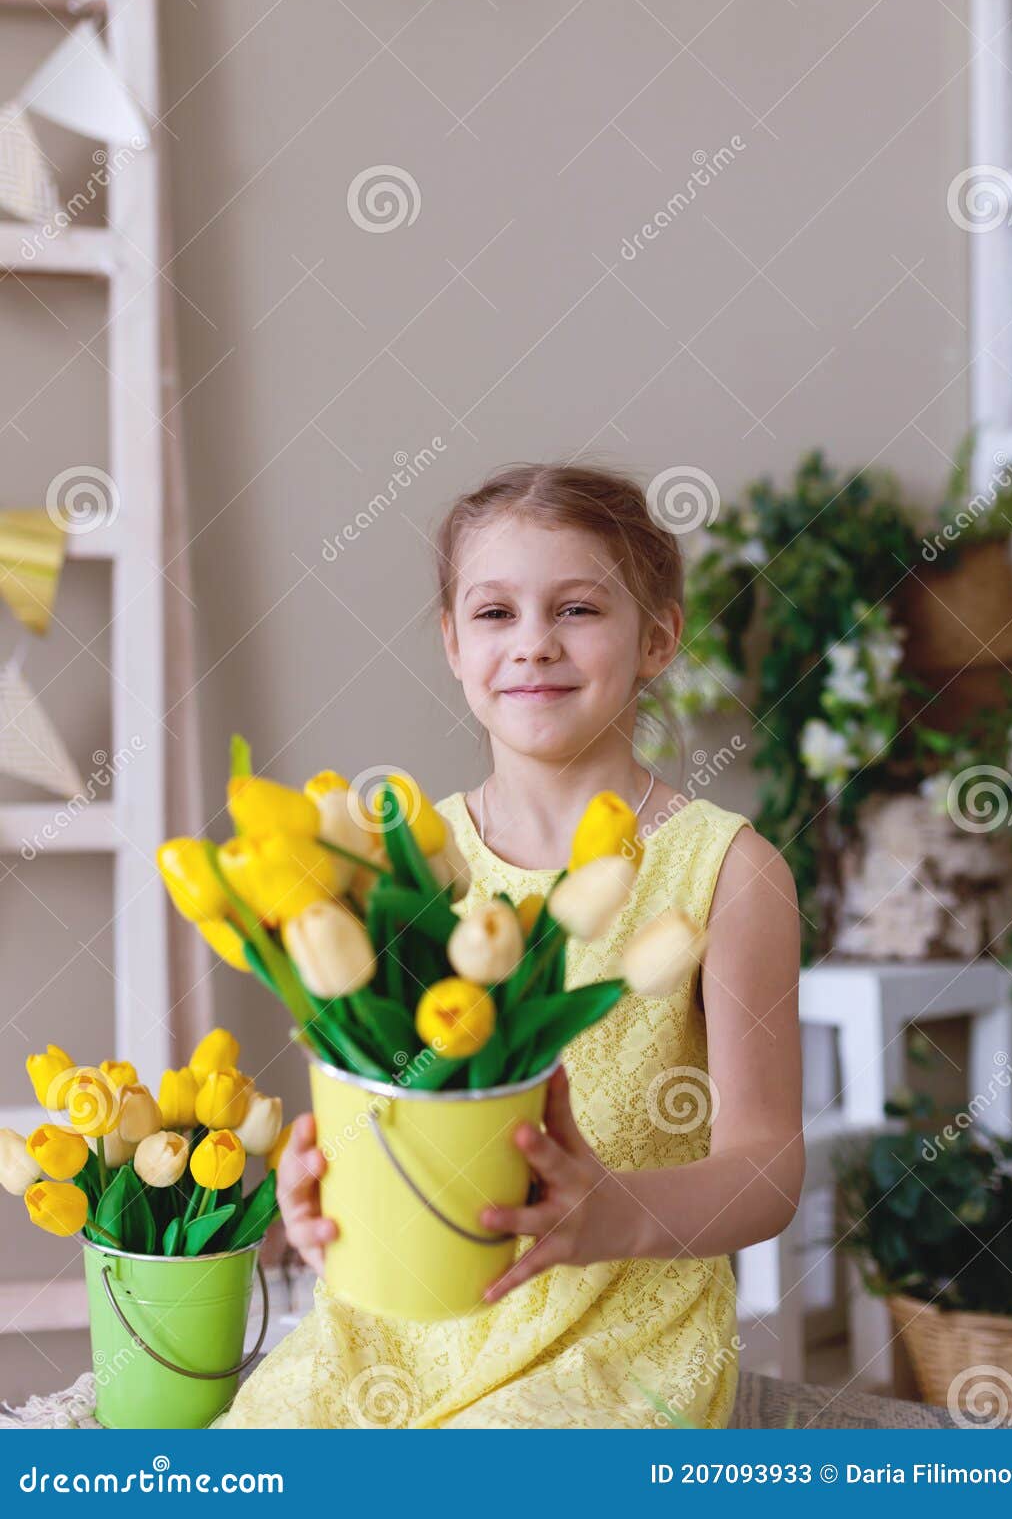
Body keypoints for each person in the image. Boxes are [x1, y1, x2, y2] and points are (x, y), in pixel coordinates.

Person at [216, 461, 803, 1428]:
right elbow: (383, 1097)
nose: (533, 644)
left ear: (657, 638)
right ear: (451, 643)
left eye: (576, 609)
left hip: (614, 1345)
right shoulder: (400, 861)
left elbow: (768, 1166)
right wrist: (322, 1185)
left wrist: (610, 1212)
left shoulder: (726, 873)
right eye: (494, 615)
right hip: (396, 1320)